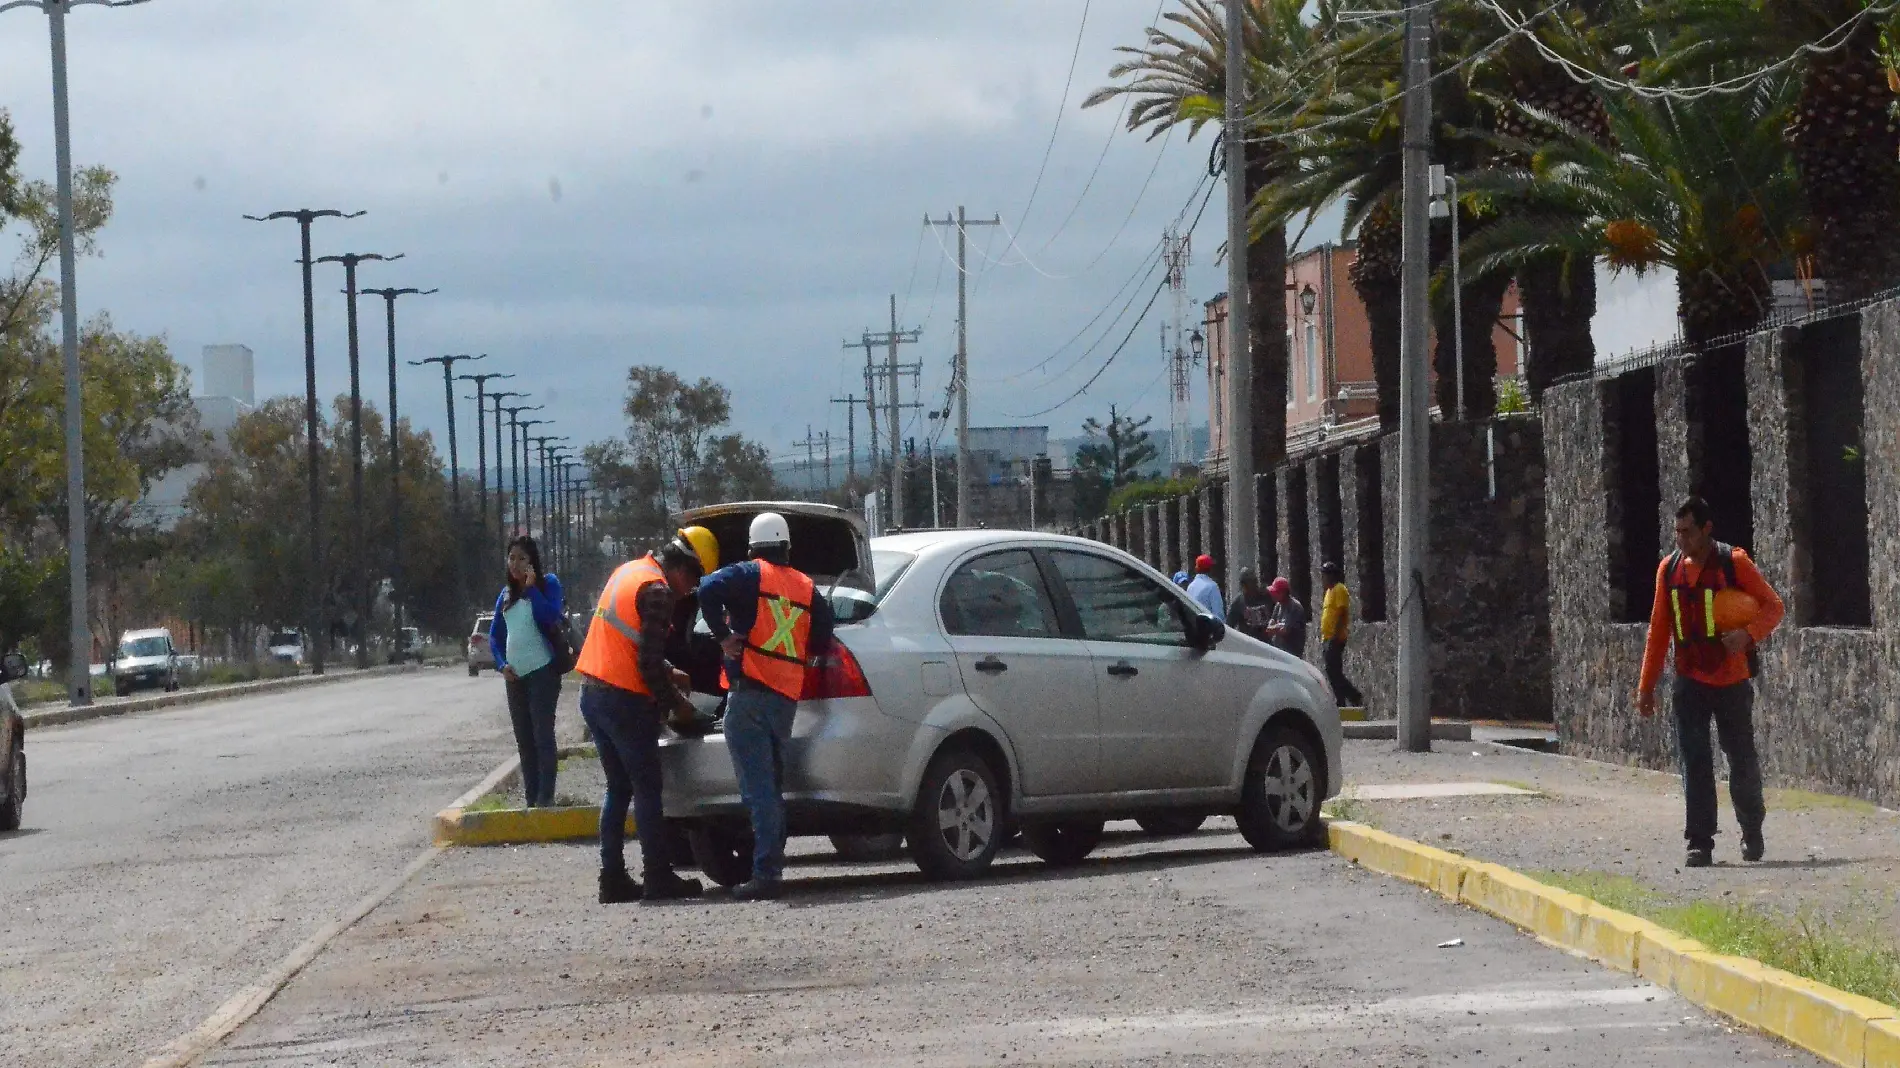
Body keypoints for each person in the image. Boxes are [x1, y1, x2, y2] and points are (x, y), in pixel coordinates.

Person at [574, 525, 722, 905]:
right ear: (682, 566)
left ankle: (612, 879)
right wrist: (680, 706)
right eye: (694, 578)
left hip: (592, 693)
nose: (691, 588)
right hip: (624, 701)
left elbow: (630, 639)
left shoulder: (628, 572)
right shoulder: (658, 592)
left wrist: (671, 671)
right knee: (647, 790)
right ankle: (658, 877)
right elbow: (648, 666)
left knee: (618, 788)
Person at [1637, 496, 1784, 868]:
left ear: (1707, 529)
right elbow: (1659, 631)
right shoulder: (1667, 572)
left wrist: (1748, 635)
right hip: (1690, 681)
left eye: (1688, 532)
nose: (1681, 540)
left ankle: (1752, 829)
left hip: (1732, 680)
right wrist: (1646, 686)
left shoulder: (1734, 564)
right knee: (1695, 761)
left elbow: (1773, 607)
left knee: (1741, 760)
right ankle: (1699, 842)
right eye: (1677, 533)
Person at [698, 512, 834, 901]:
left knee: (758, 791)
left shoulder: (749, 573)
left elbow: (707, 589)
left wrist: (724, 637)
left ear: (754, 547)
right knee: (771, 788)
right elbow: (824, 636)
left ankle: (766, 874)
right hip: (785, 701)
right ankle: (770, 866)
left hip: (750, 696)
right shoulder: (806, 587)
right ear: (787, 547)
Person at [488, 536, 566, 807]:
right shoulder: (505, 595)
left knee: (542, 735)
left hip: (543, 672)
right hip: (515, 676)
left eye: (522, 558)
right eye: (511, 558)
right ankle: (531, 798)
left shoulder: (549, 585)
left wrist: (532, 590)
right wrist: (501, 664)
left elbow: (551, 617)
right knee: (525, 739)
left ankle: (546, 797)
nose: (516, 564)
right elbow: (495, 636)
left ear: (532, 562)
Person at [1318, 561, 1364, 709]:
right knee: (1331, 671)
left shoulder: (1339, 589)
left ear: (1331, 576)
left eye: (1325, 575)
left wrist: (1335, 636)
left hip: (1335, 638)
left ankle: (1350, 697)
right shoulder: (1328, 592)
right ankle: (1344, 698)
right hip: (1327, 638)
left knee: (1334, 671)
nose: (1323, 579)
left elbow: (1341, 614)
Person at [1226, 568, 1275, 641]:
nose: (1253, 585)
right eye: (1249, 582)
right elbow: (1229, 626)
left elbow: (1275, 615)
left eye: (1254, 581)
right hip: (1249, 644)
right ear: (1243, 585)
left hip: (1266, 643)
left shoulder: (1266, 596)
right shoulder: (1239, 602)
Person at [1262, 577, 1307, 655]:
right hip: (1280, 652)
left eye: (1276, 593)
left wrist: (1271, 628)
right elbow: (1272, 621)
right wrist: (1270, 626)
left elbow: (1284, 630)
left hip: (1292, 653)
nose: (1273, 595)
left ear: (1283, 592)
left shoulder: (1295, 607)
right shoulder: (1278, 605)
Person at [1186, 553, 1225, 618]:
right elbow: (1218, 614)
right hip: (1208, 626)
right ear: (1210, 569)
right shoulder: (1212, 586)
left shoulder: (1190, 587)